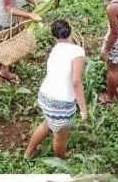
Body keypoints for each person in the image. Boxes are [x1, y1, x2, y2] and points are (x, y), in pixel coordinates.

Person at [26, 20, 88, 160]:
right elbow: (77, 82)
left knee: (47, 124)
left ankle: (27, 154)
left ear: (54, 37)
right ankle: (60, 162)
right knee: (61, 137)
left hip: (45, 97)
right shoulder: (78, 51)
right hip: (61, 104)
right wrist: (83, 110)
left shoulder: (55, 50)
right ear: (71, 31)